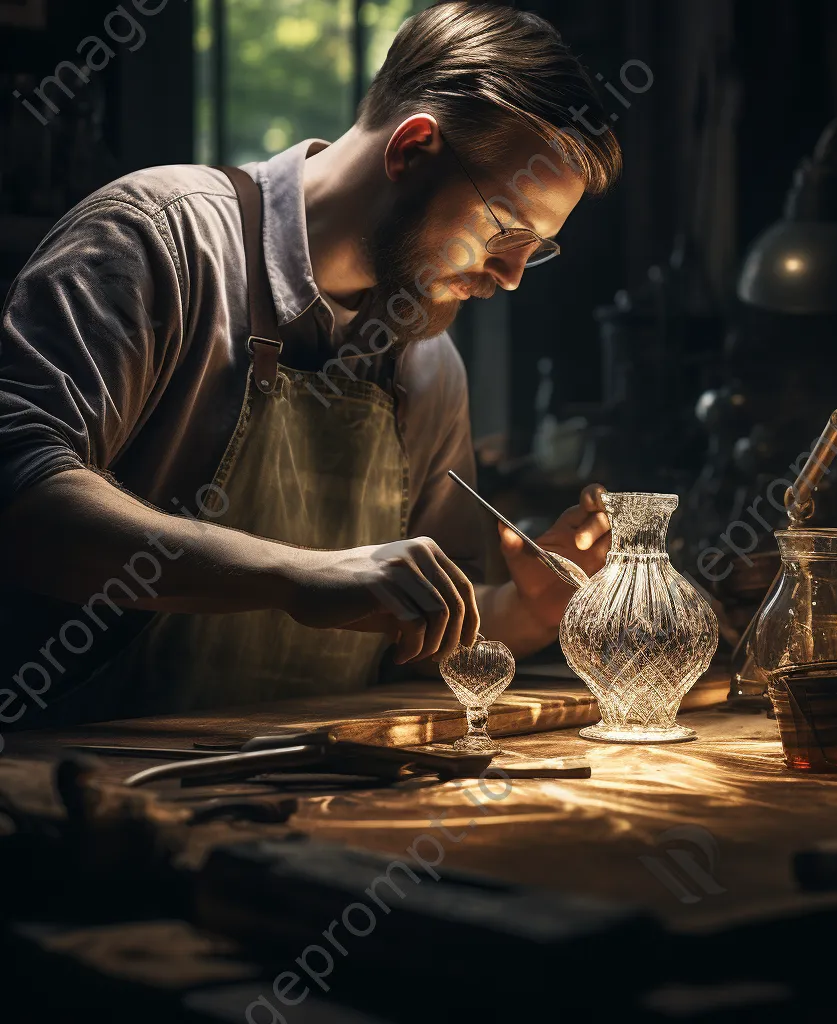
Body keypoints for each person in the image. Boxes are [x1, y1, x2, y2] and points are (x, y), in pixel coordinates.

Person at [0, 2, 623, 727]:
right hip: (80, 792)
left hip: (312, 801)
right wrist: (294, 575)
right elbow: (21, 497)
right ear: (412, 150)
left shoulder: (428, 365)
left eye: (536, 248)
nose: (512, 276)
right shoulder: (158, 242)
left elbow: (415, 636)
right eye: (505, 230)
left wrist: (524, 609)